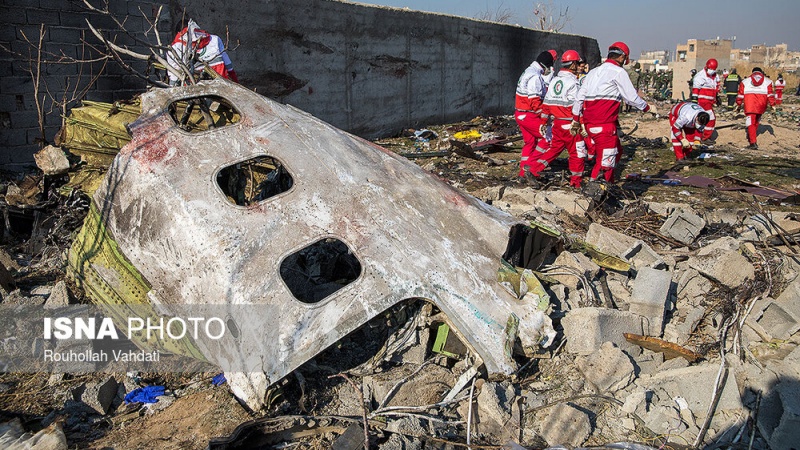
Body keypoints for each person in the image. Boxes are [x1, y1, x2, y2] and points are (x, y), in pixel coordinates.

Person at [571, 41, 656, 183]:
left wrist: (575, 119)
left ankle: (608, 182)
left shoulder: (593, 72)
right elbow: (631, 98)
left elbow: (579, 97)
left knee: (617, 150)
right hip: (604, 124)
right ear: (622, 57)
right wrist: (647, 107)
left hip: (589, 123)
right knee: (606, 163)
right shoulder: (618, 72)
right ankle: (598, 191)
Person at [525, 50, 589, 187]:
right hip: (571, 125)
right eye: (577, 64)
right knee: (578, 153)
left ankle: (534, 169)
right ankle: (576, 182)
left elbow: (546, 104)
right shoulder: (574, 84)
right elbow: (577, 106)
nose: (579, 67)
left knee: (553, 150)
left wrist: (543, 122)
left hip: (557, 124)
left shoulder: (555, 81)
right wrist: (581, 123)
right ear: (572, 65)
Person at [515, 50, 556, 180]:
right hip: (529, 114)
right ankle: (531, 168)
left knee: (530, 142)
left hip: (520, 113)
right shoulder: (535, 76)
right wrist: (544, 118)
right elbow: (535, 101)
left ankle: (523, 172)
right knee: (548, 138)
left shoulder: (528, 71)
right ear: (545, 65)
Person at [166, 19, 239, 86]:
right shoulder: (214, 39)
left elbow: (174, 76)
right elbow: (228, 65)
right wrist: (236, 84)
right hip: (219, 85)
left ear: (178, 33)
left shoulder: (174, 48)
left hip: (191, 89)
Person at [736, 67, 776, 149]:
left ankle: (753, 143)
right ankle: (753, 136)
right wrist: (773, 105)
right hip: (761, 106)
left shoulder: (745, 81)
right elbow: (770, 95)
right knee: (756, 122)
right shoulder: (768, 82)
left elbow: (740, 95)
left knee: (750, 123)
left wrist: (738, 104)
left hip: (750, 106)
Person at [691, 59, 719, 140]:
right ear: (706, 67)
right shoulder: (700, 76)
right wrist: (695, 102)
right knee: (711, 118)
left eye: (714, 69)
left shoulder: (714, 76)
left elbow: (715, 87)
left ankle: (700, 136)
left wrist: (716, 98)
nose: (712, 71)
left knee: (703, 119)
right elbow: (696, 90)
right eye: (711, 69)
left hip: (709, 102)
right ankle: (705, 137)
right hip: (702, 102)